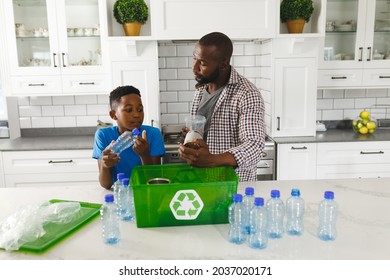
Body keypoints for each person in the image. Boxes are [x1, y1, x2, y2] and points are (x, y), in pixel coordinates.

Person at [179, 32, 265, 182]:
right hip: (204, 181)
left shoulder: (247, 94)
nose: (194, 68)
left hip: (233, 186)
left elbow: (254, 147)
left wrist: (211, 160)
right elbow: (206, 135)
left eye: (203, 63)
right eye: (194, 59)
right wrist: (191, 137)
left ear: (223, 64)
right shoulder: (200, 90)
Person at [92, 85, 165, 189]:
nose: (136, 115)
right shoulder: (103, 135)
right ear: (113, 115)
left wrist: (145, 155)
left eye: (140, 110)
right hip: (119, 194)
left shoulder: (153, 134)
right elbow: (106, 184)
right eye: (129, 110)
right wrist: (105, 165)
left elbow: (153, 180)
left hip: (145, 192)